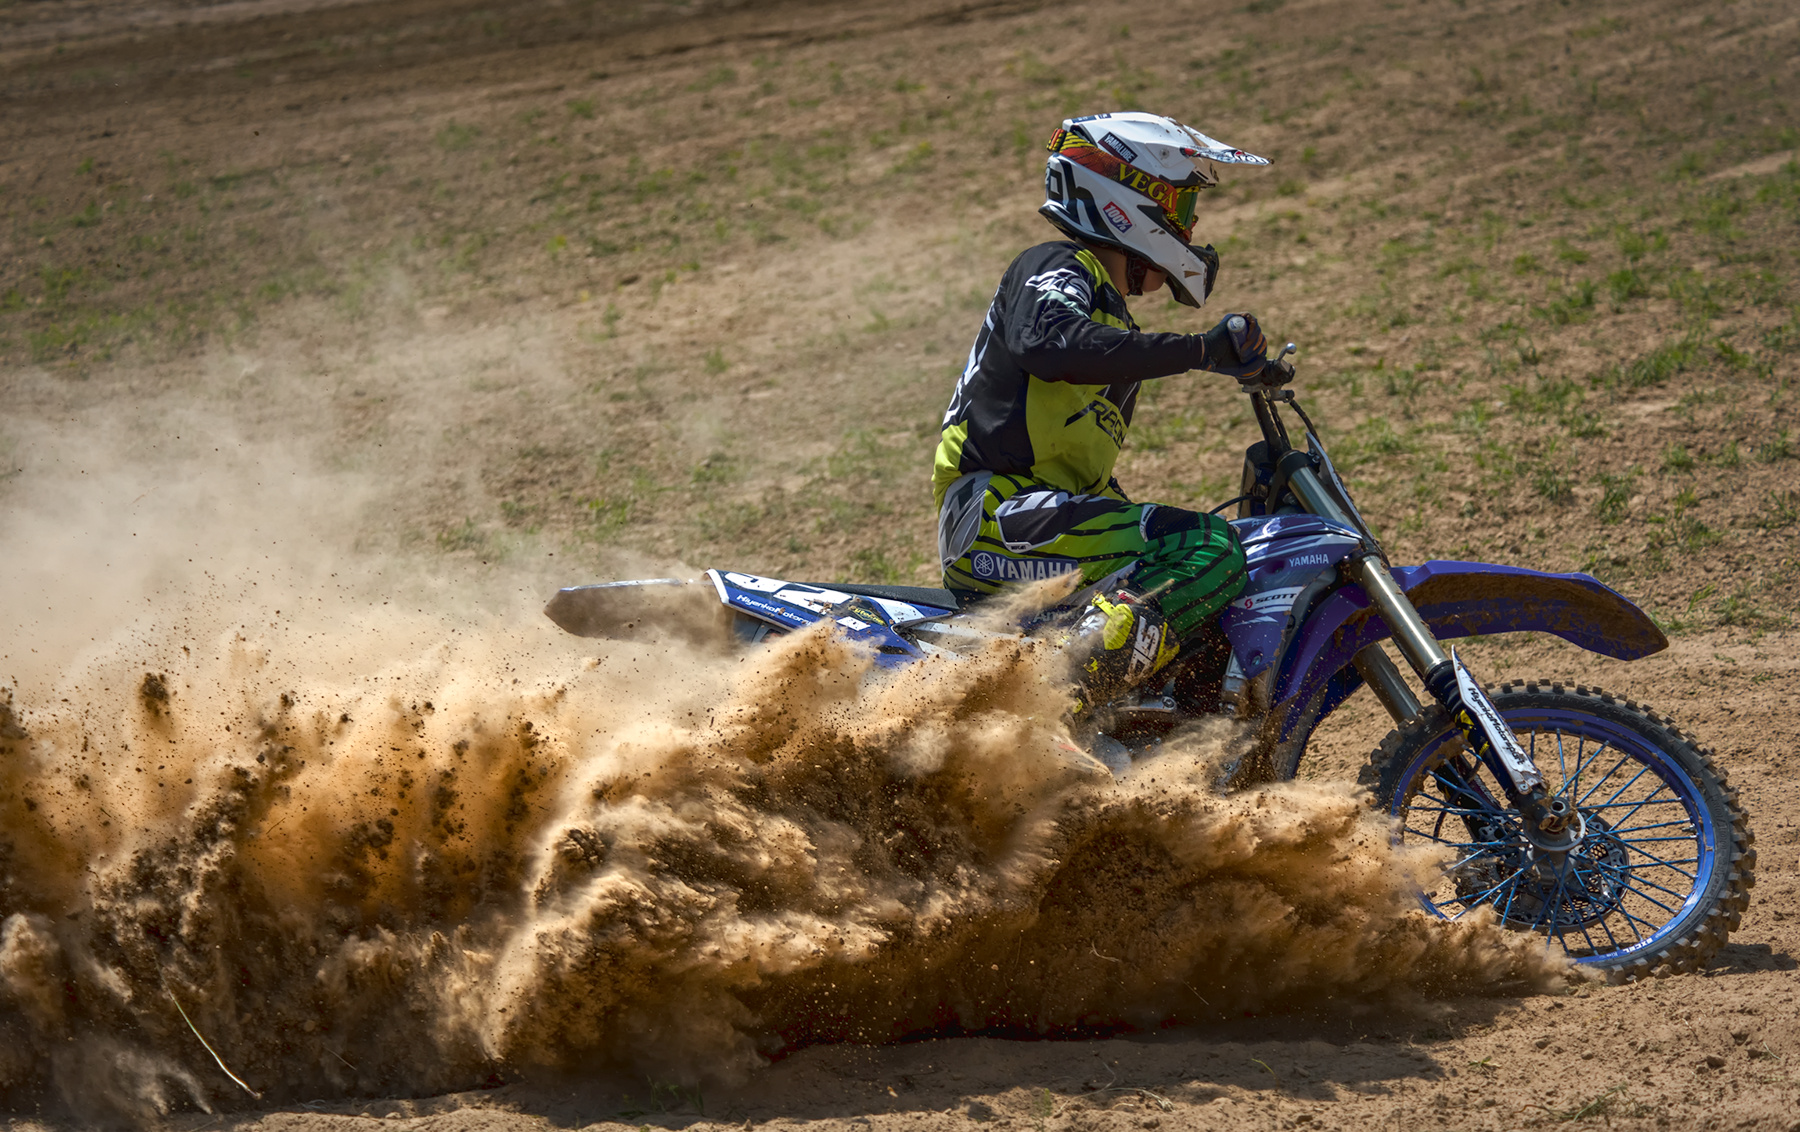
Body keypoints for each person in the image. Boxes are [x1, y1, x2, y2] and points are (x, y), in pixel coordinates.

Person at [932, 111, 1282, 716]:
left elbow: (1077, 468)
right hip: (998, 514)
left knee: (1195, 607)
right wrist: (1201, 351)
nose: (1190, 225)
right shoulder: (1057, 264)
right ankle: (1058, 698)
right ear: (1128, 196)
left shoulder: (1111, 323)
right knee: (1206, 545)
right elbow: (1049, 342)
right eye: (1180, 203)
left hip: (1030, 518)